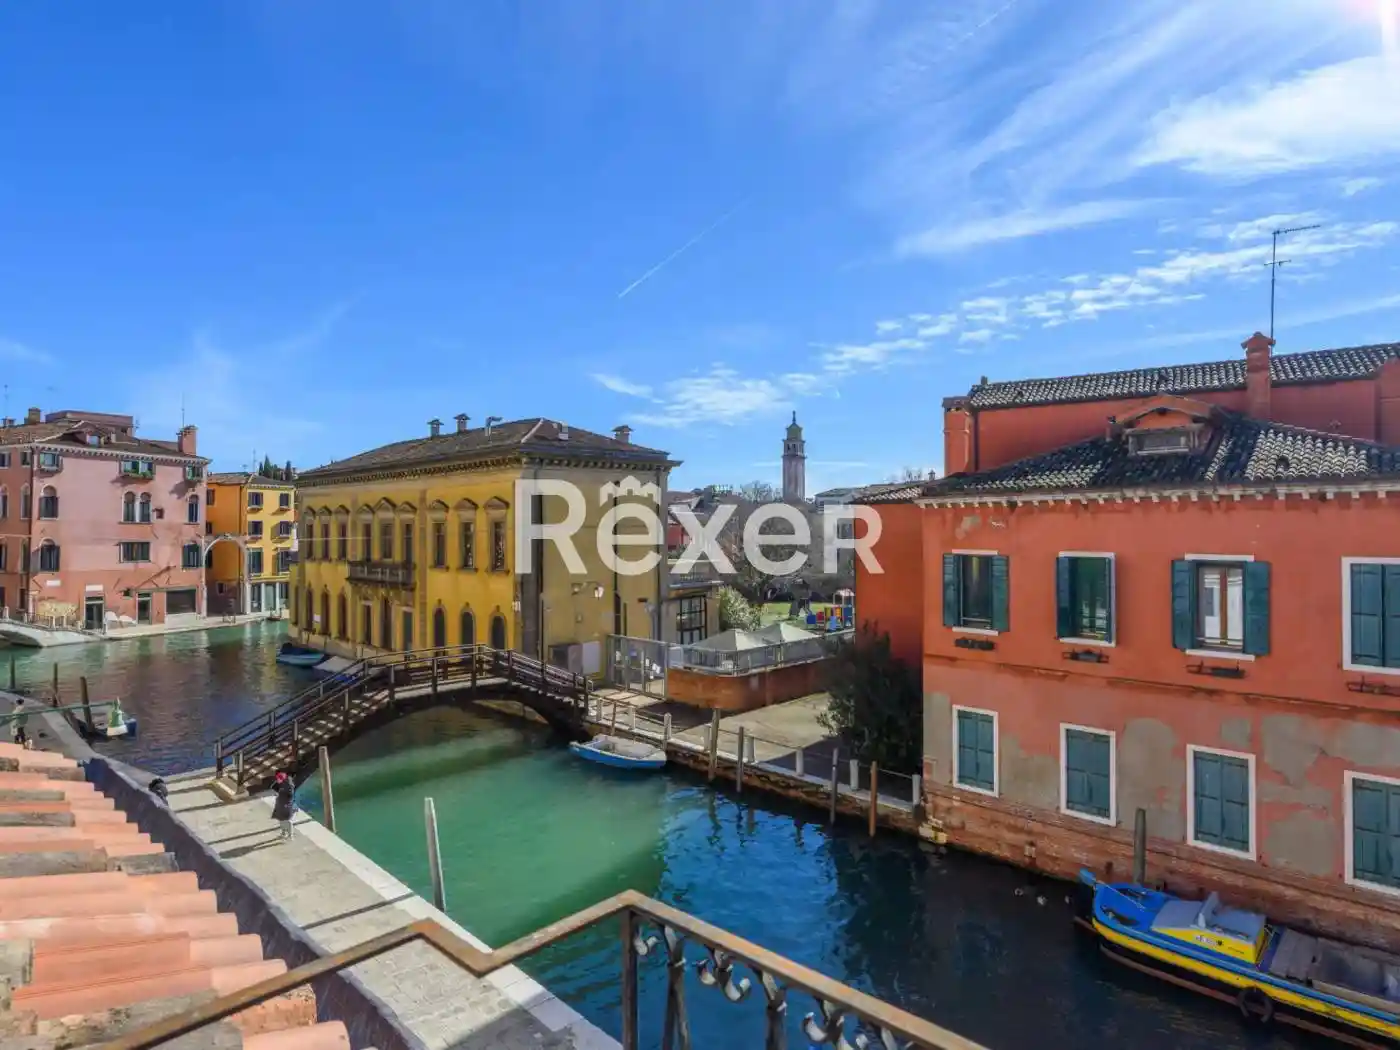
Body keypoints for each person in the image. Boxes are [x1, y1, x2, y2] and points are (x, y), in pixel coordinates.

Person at [271, 771, 297, 840]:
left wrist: (280, 795)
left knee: (288, 821)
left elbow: (290, 797)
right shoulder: (282, 784)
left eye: (278, 779)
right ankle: (284, 833)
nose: (277, 780)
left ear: (282, 779)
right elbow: (274, 788)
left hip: (287, 806)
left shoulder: (289, 786)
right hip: (281, 805)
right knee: (281, 820)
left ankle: (290, 835)